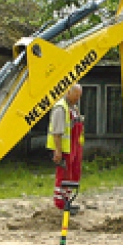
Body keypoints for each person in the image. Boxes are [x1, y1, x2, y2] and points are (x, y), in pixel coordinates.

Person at [48, 84, 85, 212]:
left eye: (79, 97)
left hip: (74, 147)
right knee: (63, 175)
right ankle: (60, 203)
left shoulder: (74, 108)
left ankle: (67, 201)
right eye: (76, 96)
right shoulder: (60, 108)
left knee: (72, 175)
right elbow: (56, 132)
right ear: (69, 92)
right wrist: (58, 151)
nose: (77, 99)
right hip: (65, 149)